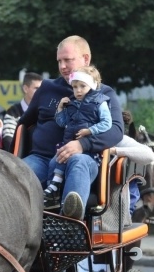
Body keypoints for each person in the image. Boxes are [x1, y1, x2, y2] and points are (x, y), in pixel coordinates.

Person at [18, 35, 123, 219]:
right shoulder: (47, 88)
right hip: (42, 159)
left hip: (83, 159)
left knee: (79, 162)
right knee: (15, 174)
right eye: (59, 61)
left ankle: (69, 225)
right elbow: (24, 124)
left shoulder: (104, 94)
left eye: (68, 60)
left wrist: (83, 145)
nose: (62, 66)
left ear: (86, 59)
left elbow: (116, 130)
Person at [43, 65, 111, 204]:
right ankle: (53, 192)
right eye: (75, 87)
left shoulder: (100, 102)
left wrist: (90, 130)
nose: (78, 90)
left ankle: (59, 191)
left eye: (82, 86)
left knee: (75, 161)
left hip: (89, 152)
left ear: (92, 85)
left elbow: (107, 123)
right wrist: (60, 108)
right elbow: (62, 123)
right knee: (54, 161)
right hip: (69, 145)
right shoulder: (72, 103)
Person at [1, 72, 42, 150]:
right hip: (18, 159)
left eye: (41, 89)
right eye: (36, 88)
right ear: (25, 89)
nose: (40, 92)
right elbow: (8, 140)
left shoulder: (44, 111)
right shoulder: (13, 112)